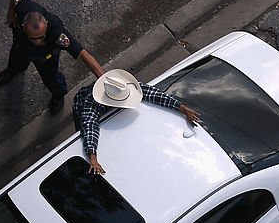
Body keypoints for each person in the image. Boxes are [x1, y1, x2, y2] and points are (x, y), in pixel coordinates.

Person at [0, 0, 104, 113]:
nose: (38, 41)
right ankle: (13, 71)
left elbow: (83, 54)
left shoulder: (57, 32)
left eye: (41, 36)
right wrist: (11, 13)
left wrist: (103, 78)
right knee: (16, 62)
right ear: (23, 26)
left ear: (46, 24)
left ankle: (58, 95)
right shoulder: (22, 7)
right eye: (34, 38)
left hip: (45, 56)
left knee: (51, 78)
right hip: (21, 46)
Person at [72, 69, 200, 174]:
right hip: (81, 107)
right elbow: (89, 125)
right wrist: (92, 157)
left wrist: (182, 109)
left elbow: (154, 94)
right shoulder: (91, 102)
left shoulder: (124, 86)